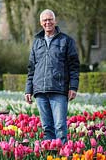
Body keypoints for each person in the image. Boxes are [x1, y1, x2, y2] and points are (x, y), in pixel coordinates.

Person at [25, 9, 80, 144]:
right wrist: (28, 89)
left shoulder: (66, 41)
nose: (48, 22)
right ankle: (50, 155)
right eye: (45, 20)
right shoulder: (36, 42)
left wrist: (73, 87)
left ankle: (63, 155)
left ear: (55, 21)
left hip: (59, 90)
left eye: (50, 19)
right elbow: (31, 68)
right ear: (41, 23)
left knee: (60, 127)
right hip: (40, 91)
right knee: (47, 128)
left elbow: (74, 66)